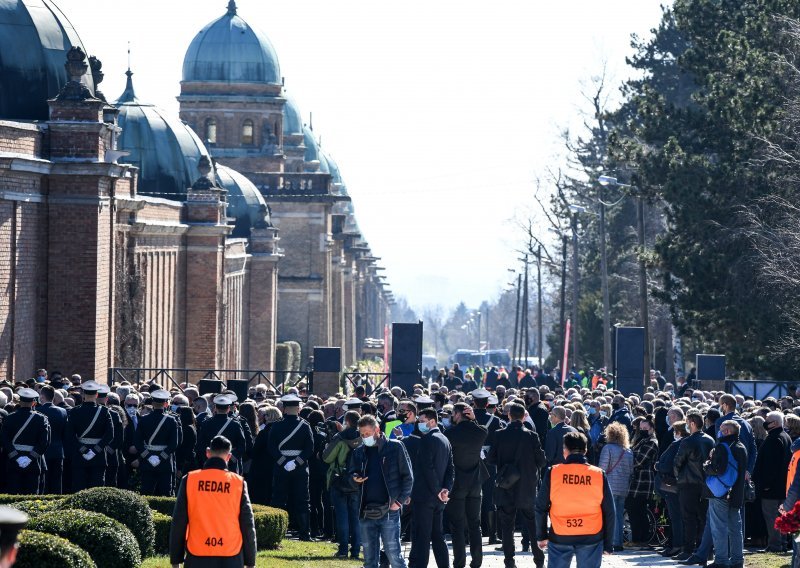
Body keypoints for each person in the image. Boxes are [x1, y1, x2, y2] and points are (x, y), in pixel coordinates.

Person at [169, 435, 256, 568]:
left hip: (197, 552)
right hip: (231, 552)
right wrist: (250, 561)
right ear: (228, 457)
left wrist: (176, 560)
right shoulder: (238, 482)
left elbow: (179, 521)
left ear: (208, 453)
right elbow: (248, 524)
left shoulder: (190, 479)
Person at [535, 431, 615, 568]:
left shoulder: (553, 472)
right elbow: (609, 511)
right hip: (591, 534)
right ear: (585, 451)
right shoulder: (598, 474)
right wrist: (608, 543)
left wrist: (541, 536)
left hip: (561, 533)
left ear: (565, 450)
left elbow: (540, 507)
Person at [350, 414, 414, 568]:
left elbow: (408, 477)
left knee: (394, 557)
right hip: (365, 511)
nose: (365, 437)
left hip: (389, 511)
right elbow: (350, 473)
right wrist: (354, 478)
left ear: (377, 430)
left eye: (367, 433)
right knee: (369, 560)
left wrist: (398, 502)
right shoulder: (358, 452)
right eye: (362, 434)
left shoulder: (395, 447)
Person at [489, 403, 546, 568]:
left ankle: (509, 561)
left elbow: (491, 459)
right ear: (523, 417)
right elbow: (541, 461)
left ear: (509, 416)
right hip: (526, 487)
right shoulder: (531, 436)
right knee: (532, 524)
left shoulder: (499, 435)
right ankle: (539, 560)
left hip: (506, 485)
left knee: (507, 527)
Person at [408, 408, 453, 568]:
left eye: (421, 421)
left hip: (425, 496)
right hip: (438, 497)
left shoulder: (427, 439)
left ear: (432, 421)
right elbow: (450, 469)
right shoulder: (445, 439)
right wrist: (445, 489)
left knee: (422, 537)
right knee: (437, 535)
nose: (419, 424)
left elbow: (428, 468)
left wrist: (439, 491)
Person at [444, 402, 487, 568]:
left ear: (457, 414)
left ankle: (459, 562)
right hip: (475, 483)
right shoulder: (480, 431)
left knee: (457, 525)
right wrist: (475, 420)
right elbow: (482, 431)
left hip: (457, 483)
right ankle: (477, 562)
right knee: (475, 525)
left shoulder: (450, 433)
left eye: (453, 414)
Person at [267, 393, 314, 541]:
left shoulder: (276, 426)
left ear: (285, 409)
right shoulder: (305, 426)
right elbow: (310, 448)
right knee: (303, 501)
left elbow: (271, 447)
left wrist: (283, 461)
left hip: (281, 467)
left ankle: (276, 533)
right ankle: (305, 534)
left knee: (278, 499)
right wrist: (297, 462)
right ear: (298, 409)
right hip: (299, 468)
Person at [705, 419, 747, 568]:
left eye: (722, 429)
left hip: (720, 492)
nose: (719, 431)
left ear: (727, 431)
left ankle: (721, 560)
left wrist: (707, 464)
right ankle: (737, 560)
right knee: (736, 528)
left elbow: (717, 469)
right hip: (736, 493)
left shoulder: (722, 446)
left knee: (718, 527)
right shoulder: (741, 446)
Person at [673, 411, 715, 562]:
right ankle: (704, 550)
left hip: (689, 483)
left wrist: (678, 476)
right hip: (706, 483)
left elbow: (678, 462)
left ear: (692, 423)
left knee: (688, 517)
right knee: (703, 517)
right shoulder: (710, 440)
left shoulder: (687, 441)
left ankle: (689, 549)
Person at [322, 410, 362, 559]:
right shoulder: (363, 437)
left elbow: (327, 458)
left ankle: (343, 549)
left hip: (339, 479)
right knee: (356, 517)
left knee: (342, 516)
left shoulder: (340, 437)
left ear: (347, 421)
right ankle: (356, 550)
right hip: (357, 481)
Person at [753, 410, 791, 553]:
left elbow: (771, 465)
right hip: (782, 486)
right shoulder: (785, 436)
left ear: (774, 423)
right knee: (781, 517)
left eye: (768, 420)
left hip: (772, 488)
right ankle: (780, 544)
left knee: (772, 518)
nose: (765, 422)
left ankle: (775, 546)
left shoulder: (774, 439)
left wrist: (766, 485)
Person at [65, 380, 114, 490]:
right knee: (97, 489)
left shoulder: (74, 412)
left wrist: (83, 449)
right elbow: (110, 435)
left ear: (83, 394)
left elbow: (70, 435)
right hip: (99, 455)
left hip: (79, 454)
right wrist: (96, 450)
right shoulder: (104, 411)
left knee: (79, 488)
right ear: (97, 394)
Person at [2, 388, 50, 494]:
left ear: (19, 402)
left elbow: (4, 440)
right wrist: (30, 457)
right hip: (33, 462)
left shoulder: (10, 418)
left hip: (13, 461)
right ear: (33, 403)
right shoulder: (41, 419)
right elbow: (44, 442)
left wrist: (16, 457)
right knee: (31, 495)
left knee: (13, 495)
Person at [472, 389, 505, 545]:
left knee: (471, 495)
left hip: (471, 460)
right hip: (490, 461)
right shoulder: (495, 420)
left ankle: (471, 533)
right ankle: (492, 534)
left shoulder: (469, 419)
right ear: (487, 404)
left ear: (473, 403)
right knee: (490, 495)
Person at [135, 389, 180, 496]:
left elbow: (137, 442)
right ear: (165, 404)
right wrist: (162, 456)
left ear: (152, 403)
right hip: (165, 461)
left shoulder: (144, 420)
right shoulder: (171, 420)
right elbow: (174, 443)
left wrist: (148, 456)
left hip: (147, 460)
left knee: (146, 492)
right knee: (165, 492)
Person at [597, 422, 633, 552]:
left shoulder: (608, 448)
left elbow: (602, 469)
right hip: (623, 487)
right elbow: (630, 471)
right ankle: (618, 542)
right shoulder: (628, 451)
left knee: (609, 515)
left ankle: (611, 541)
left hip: (610, 486)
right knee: (619, 515)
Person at [655, 419, 687, 557]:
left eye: (675, 431)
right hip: (681, 484)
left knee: (675, 516)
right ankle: (678, 543)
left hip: (672, 485)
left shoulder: (677, 445)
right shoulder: (684, 444)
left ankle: (677, 545)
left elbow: (669, 464)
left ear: (679, 432)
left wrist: (658, 466)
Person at [626, 415, 658, 548]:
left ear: (651, 428)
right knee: (635, 509)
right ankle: (638, 538)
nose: (643, 430)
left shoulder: (651, 442)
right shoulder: (640, 440)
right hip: (636, 480)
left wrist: (626, 461)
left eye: (646, 428)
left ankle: (640, 538)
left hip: (643, 480)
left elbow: (639, 461)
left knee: (637, 509)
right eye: (641, 428)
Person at [37, 385, 67, 494]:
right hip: (58, 451)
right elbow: (65, 433)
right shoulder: (63, 411)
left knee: (43, 483)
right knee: (57, 482)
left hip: (42, 452)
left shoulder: (37, 411)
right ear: (53, 397)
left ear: (42, 397)